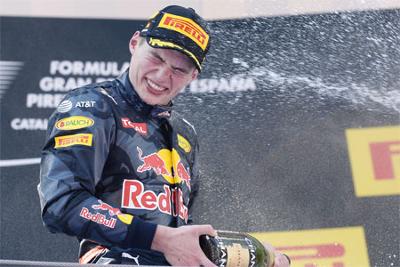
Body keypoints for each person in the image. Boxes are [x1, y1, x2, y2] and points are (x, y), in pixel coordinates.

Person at [38, 5, 290, 266]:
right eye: (156, 58)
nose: (162, 75)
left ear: (193, 76)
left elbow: (181, 233)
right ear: (135, 43)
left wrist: (262, 259)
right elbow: (62, 203)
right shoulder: (94, 106)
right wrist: (160, 239)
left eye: (179, 70)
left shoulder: (185, 133)